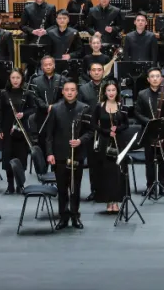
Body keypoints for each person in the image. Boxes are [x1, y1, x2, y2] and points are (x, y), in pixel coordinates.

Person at [43, 80, 88, 229]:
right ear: (62, 92)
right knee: (62, 189)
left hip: (77, 154)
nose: (69, 92)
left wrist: (80, 141)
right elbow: (49, 134)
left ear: (77, 92)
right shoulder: (55, 109)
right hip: (60, 154)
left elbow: (90, 131)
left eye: (72, 90)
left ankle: (75, 216)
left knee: (75, 188)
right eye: (67, 90)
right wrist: (50, 153)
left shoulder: (84, 108)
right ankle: (63, 217)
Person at [87, 80, 130, 213]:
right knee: (106, 172)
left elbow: (126, 124)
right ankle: (108, 201)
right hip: (104, 142)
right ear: (105, 92)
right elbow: (93, 124)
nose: (111, 93)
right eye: (109, 90)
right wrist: (106, 131)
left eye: (113, 90)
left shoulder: (122, 106)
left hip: (119, 142)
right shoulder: (99, 106)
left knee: (118, 172)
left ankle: (116, 201)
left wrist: (117, 129)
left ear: (117, 91)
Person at [0, 69, 39, 195]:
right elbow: (0, 112)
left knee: (21, 157)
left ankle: (20, 185)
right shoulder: (4, 93)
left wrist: (23, 114)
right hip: (7, 128)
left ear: (22, 79)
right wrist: (0, 129)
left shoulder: (27, 93)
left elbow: (33, 108)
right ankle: (10, 185)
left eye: (18, 78)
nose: (15, 80)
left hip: (22, 129)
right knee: (8, 157)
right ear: (9, 79)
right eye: (13, 78)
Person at [135, 68, 164, 197]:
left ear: (161, 78)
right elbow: (137, 113)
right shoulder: (142, 94)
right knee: (149, 161)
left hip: (163, 133)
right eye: (152, 76)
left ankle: (163, 186)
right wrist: (149, 122)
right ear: (148, 79)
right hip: (148, 132)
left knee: (163, 161)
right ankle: (150, 186)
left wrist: (162, 124)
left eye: (157, 76)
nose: (155, 78)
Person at [78, 62, 105, 200]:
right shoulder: (83, 89)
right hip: (90, 130)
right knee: (93, 163)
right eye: (94, 70)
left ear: (103, 72)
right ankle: (94, 190)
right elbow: (80, 109)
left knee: (106, 162)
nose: (96, 72)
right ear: (89, 72)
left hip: (106, 129)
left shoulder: (109, 87)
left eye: (99, 70)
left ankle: (107, 191)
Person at [29, 55, 66, 131]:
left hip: (59, 114)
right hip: (42, 114)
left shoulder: (62, 79)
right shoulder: (35, 81)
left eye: (50, 64)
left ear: (54, 65)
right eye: (45, 65)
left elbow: (65, 96)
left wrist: (54, 107)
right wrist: (46, 107)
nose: (48, 67)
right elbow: (35, 97)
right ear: (42, 67)